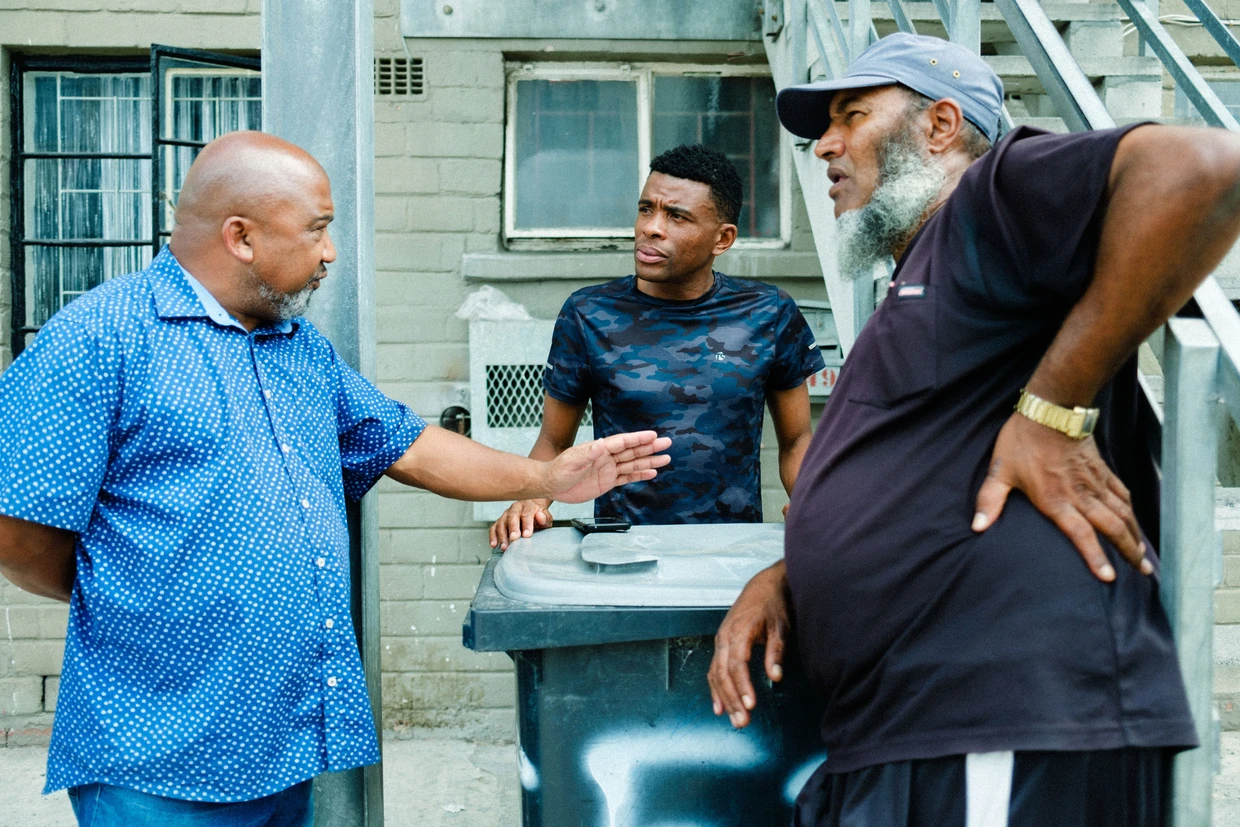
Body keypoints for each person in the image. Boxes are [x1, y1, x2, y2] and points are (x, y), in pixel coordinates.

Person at [0, 131, 670, 826]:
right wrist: (135, 594)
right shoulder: (100, 337)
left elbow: (407, 445)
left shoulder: (297, 347)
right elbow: (20, 537)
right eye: (316, 230)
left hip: (279, 746)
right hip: (155, 756)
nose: (331, 253)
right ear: (241, 237)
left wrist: (545, 475)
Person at [707, 32, 1240, 825]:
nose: (824, 145)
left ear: (940, 125)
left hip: (998, 714)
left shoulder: (986, 202)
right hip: (920, 728)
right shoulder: (928, 278)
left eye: (852, 116)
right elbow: (927, 474)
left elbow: (1206, 168)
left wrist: (1052, 410)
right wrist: (792, 576)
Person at [489, 144, 826, 550]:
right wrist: (530, 501)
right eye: (646, 209)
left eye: (676, 216)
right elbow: (554, 442)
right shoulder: (588, 313)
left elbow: (797, 439)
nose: (651, 227)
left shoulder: (769, 312)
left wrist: (812, 502)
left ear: (722, 239)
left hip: (732, 549)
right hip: (622, 549)